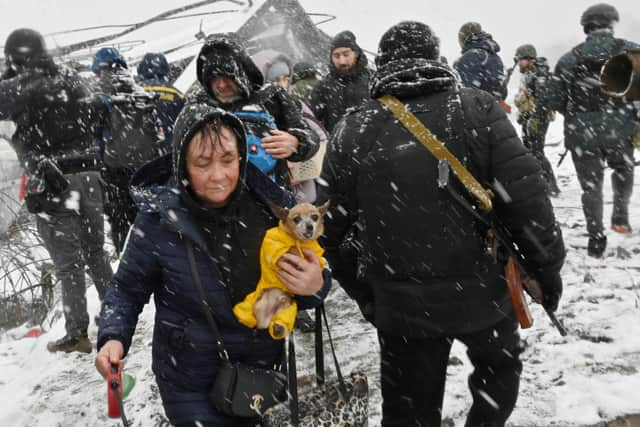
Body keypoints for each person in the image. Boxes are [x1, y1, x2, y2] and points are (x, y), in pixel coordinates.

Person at [318, 21, 566, 426]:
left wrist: (369, 295)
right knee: (499, 373)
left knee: (409, 408)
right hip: (484, 289)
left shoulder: (353, 126)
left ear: (382, 63)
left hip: (401, 305)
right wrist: (547, 269)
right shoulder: (478, 107)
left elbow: (331, 230)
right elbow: (528, 201)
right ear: (435, 57)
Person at [95, 104, 332, 426]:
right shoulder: (157, 220)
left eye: (228, 161)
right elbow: (127, 288)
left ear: (241, 159)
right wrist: (113, 337)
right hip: (190, 379)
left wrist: (316, 286)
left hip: (261, 372)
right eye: (202, 163)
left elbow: (313, 277)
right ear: (182, 164)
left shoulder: (273, 210)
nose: (218, 176)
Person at [0, 28, 113, 353]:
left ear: (13, 57)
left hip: (53, 181)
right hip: (90, 175)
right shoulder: (74, 80)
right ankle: (115, 315)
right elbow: (99, 113)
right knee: (95, 251)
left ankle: (77, 332)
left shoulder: (17, 87)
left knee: (68, 263)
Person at [547, 3, 639, 257]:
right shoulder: (632, 51)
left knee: (591, 186)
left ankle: (596, 238)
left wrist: (578, 115)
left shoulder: (568, 59)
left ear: (587, 27)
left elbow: (553, 99)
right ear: (611, 23)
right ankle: (620, 216)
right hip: (620, 129)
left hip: (581, 134)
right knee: (623, 169)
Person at [187, 34, 319, 189]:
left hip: (272, 200)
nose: (221, 84)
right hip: (216, 202)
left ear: (241, 72)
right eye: (213, 78)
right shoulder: (197, 105)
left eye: (227, 76)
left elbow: (311, 138)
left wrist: (297, 141)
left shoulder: (271, 97)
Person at [92, 47, 163, 254]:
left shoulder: (100, 94)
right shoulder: (141, 93)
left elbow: (94, 135)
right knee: (148, 220)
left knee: (120, 223)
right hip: (146, 169)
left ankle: (127, 262)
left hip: (114, 171)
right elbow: (156, 134)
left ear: (100, 69)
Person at [513, 44, 561, 196]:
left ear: (530, 59)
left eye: (521, 60)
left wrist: (534, 117)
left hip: (538, 118)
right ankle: (539, 183)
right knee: (530, 150)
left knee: (537, 151)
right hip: (531, 117)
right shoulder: (529, 74)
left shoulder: (539, 74)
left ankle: (551, 185)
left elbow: (542, 99)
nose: (519, 63)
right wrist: (523, 116)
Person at [310, 30, 371, 133]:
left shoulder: (373, 80)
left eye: (346, 54)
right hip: (336, 146)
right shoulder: (322, 87)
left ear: (356, 53)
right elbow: (314, 124)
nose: (342, 61)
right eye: (336, 56)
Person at [137, 52, 185, 143]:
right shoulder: (177, 94)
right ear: (165, 68)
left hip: (146, 150)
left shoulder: (137, 93)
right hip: (173, 147)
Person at [454, 22, 507, 101]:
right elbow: (501, 90)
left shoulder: (472, 55)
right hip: (493, 108)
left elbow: (467, 91)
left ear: (465, 38)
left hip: (477, 109)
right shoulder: (495, 57)